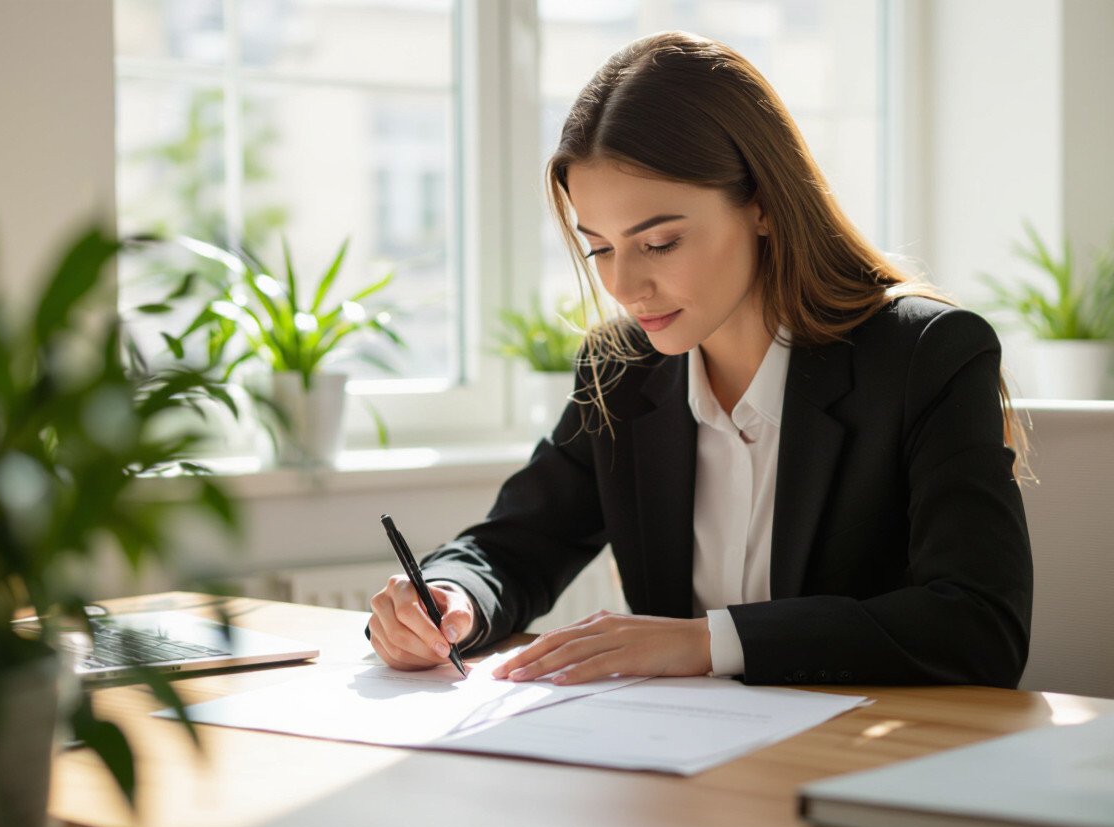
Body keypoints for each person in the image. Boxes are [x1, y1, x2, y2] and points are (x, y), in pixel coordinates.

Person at [366, 31, 1033, 688]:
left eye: (658, 243)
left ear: (764, 205)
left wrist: (708, 643)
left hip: (864, 768)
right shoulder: (623, 369)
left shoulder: (925, 356)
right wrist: (450, 597)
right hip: (687, 770)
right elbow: (514, 546)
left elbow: (979, 625)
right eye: (600, 248)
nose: (624, 287)